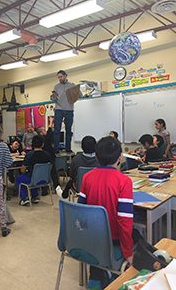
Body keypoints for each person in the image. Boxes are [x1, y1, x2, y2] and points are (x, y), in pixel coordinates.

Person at [77, 136, 134, 289]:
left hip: (92, 237)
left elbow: (80, 209)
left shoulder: (87, 177)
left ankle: (97, 277)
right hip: (113, 238)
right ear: (120, 157)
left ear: (96, 157)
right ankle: (112, 275)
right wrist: (128, 252)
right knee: (140, 239)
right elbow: (125, 221)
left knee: (100, 245)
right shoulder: (124, 181)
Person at [16, 135, 51, 206]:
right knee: (34, 176)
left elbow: (22, 170)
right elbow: (50, 167)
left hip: (32, 180)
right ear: (42, 144)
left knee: (19, 179)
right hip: (45, 180)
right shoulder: (47, 154)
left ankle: (24, 198)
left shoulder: (29, 155)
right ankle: (35, 196)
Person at [51, 70, 76, 153]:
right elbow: (53, 99)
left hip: (69, 109)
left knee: (68, 130)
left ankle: (68, 148)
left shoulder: (72, 85)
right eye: (58, 77)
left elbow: (79, 95)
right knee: (57, 130)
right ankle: (56, 149)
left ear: (65, 76)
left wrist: (77, 92)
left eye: (61, 77)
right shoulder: (56, 86)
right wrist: (53, 96)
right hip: (59, 109)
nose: (60, 78)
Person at [36, 118, 62, 196]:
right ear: (41, 133)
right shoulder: (44, 138)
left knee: (44, 174)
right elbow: (50, 133)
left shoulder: (39, 139)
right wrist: (51, 122)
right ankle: (56, 186)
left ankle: (45, 190)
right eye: (44, 130)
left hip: (44, 157)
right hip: (48, 157)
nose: (46, 131)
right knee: (53, 173)